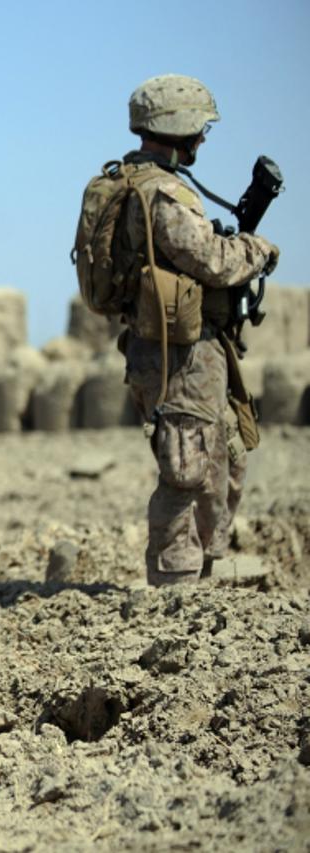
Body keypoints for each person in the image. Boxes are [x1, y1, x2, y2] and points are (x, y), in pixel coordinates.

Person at [113, 75, 279, 586]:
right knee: (185, 468)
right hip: (176, 353)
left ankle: (210, 565)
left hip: (185, 347)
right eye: (199, 129)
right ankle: (176, 582)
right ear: (177, 127)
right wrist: (258, 251)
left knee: (221, 454)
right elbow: (209, 260)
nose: (203, 139)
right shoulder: (161, 192)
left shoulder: (142, 182)